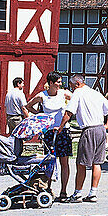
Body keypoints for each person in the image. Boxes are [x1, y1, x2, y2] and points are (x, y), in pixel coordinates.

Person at [60, 73, 108, 202]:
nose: (72, 89)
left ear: (77, 84)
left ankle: (77, 193)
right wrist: (106, 125)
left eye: (72, 86)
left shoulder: (78, 93)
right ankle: (93, 192)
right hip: (100, 128)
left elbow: (69, 112)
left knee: (81, 163)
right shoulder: (95, 93)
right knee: (97, 162)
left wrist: (61, 126)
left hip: (89, 129)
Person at [28, 71, 73, 199]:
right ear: (51, 83)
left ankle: (63, 191)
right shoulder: (42, 96)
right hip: (49, 132)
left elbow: (76, 100)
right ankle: (47, 189)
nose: (60, 84)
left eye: (60, 81)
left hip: (63, 131)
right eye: (58, 82)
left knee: (64, 162)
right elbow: (28, 106)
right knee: (49, 162)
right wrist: (39, 116)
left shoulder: (64, 94)